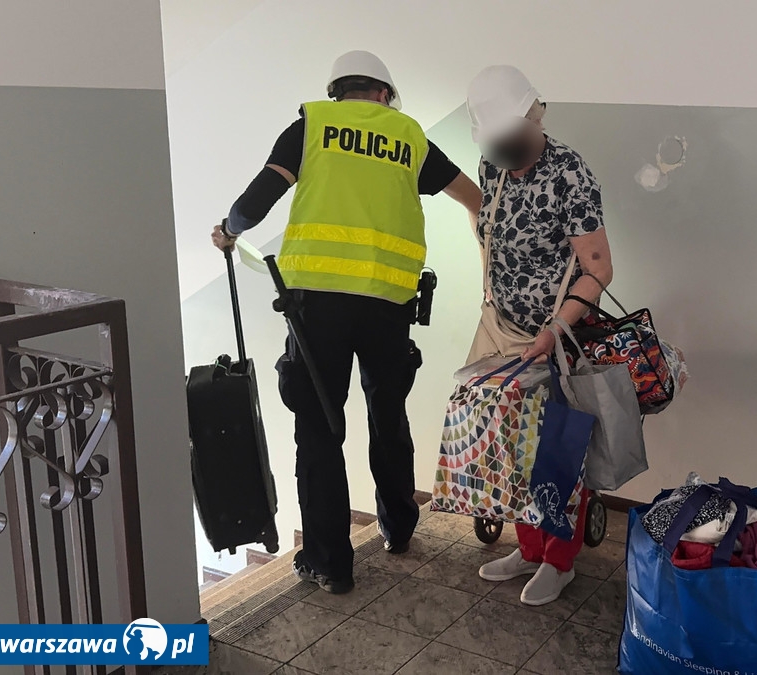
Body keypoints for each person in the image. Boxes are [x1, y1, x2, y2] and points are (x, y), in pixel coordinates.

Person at [211, 50, 483, 594]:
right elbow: (474, 198)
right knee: (388, 413)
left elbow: (256, 201)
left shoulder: (312, 125)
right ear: (385, 94)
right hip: (389, 304)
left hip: (318, 308)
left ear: (337, 91)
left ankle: (330, 563)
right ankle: (398, 528)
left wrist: (228, 232)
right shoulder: (408, 137)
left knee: (318, 428)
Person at [464, 65, 615, 606]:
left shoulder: (569, 172)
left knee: (558, 452)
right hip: (504, 332)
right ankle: (528, 548)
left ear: (536, 115)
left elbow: (598, 268)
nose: (505, 148)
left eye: (513, 136)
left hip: (558, 338)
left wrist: (555, 329)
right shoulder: (492, 167)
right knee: (511, 447)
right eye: (496, 140)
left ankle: (559, 560)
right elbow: (488, 230)